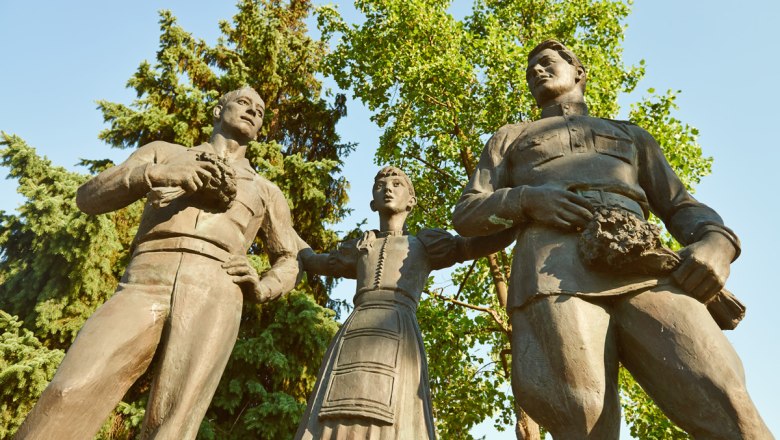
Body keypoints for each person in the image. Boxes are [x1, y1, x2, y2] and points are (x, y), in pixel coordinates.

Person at [452, 40, 772, 438]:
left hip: (647, 266)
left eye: (547, 63)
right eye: (530, 69)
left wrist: (717, 242)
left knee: (726, 395)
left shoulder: (630, 135)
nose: (536, 71)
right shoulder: (510, 137)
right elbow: (468, 213)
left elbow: (679, 204)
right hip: (555, 271)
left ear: (578, 72)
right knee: (582, 412)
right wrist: (526, 199)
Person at [16, 87, 301, 440]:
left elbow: (289, 258)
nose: (252, 112)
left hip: (217, 288)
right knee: (71, 388)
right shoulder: (165, 153)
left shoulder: (265, 189)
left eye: (259, 110)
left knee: (173, 423)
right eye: (243, 103)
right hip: (147, 276)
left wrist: (263, 286)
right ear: (217, 110)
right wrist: (158, 174)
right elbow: (88, 197)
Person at [295, 166, 515, 440]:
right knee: (333, 410)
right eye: (381, 185)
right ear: (372, 201)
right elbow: (312, 260)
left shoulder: (424, 245)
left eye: (397, 184)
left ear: (411, 201)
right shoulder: (359, 247)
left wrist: (520, 213)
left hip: (399, 331)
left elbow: (471, 246)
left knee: (398, 414)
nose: (388, 188)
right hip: (353, 334)